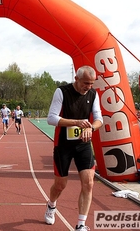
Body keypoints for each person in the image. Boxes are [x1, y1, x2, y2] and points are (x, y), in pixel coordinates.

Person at [44, 65, 103, 231]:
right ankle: (51, 205)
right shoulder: (61, 92)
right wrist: (76, 122)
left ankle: (81, 224)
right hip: (63, 145)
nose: (88, 87)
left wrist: (90, 127)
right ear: (76, 79)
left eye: (91, 83)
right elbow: (51, 118)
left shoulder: (93, 94)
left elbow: (99, 119)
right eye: (85, 83)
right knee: (60, 185)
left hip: (83, 145)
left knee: (89, 183)